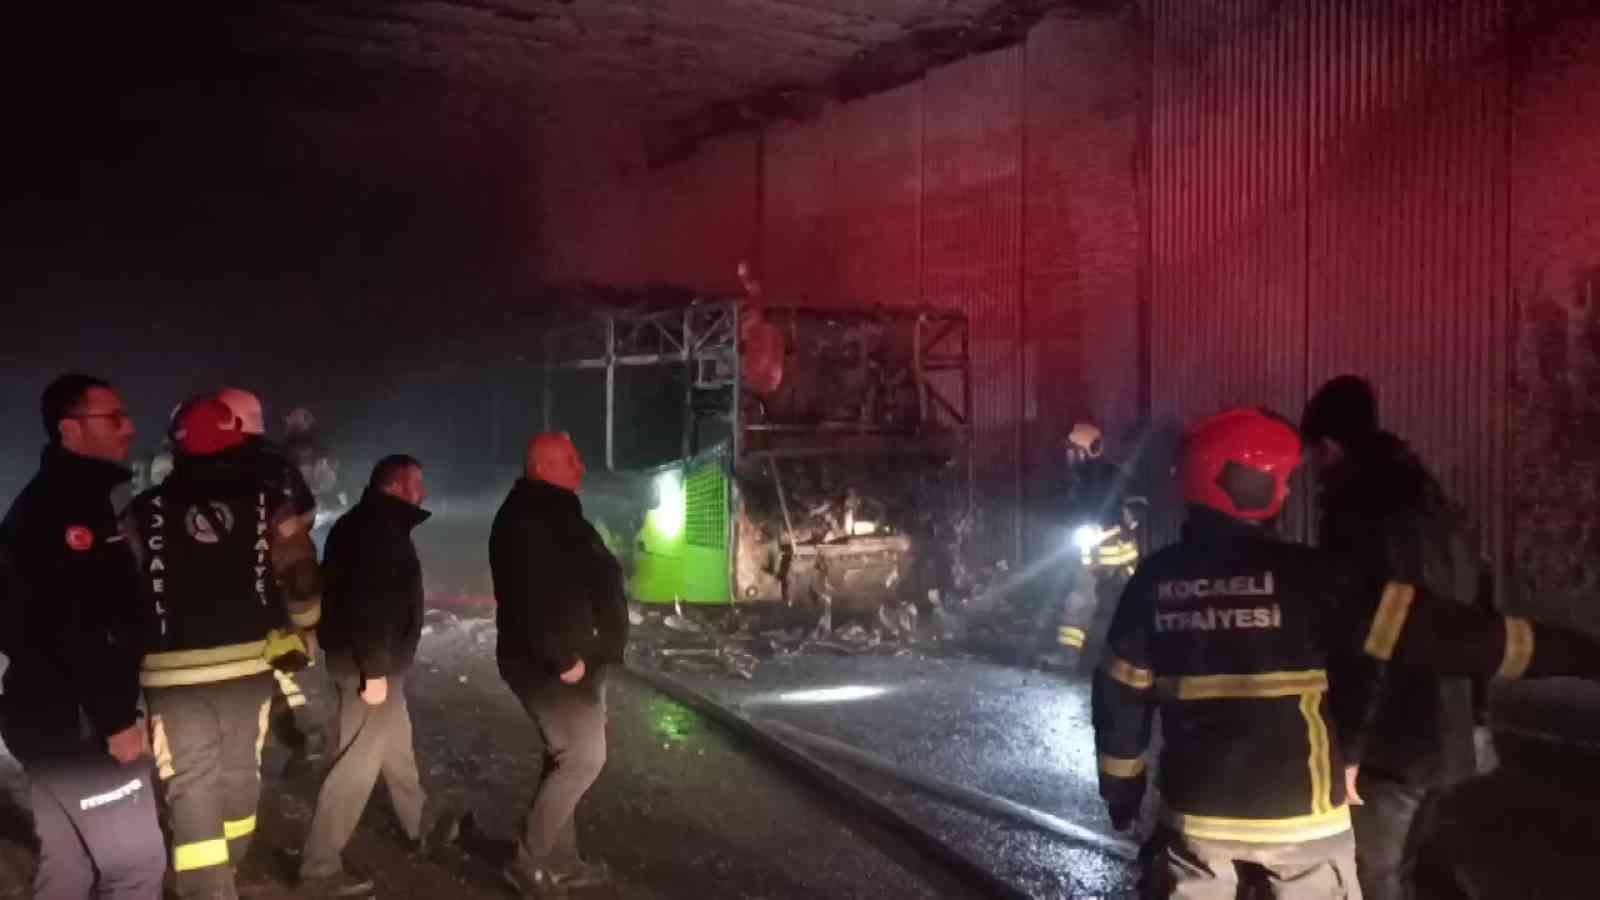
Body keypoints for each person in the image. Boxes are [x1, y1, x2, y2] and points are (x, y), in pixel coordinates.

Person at [1093, 407, 1600, 899]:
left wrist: (1122, 794)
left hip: (1196, 822)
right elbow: (1452, 636)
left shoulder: (1155, 582)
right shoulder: (1313, 578)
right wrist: (1581, 656)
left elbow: (1119, 699)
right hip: (1302, 824)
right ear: (1247, 483)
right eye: (1281, 479)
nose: (1290, 488)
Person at [124, 395, 323, 899]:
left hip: (171, 678)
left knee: (191, 782)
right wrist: (306, 630)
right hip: (247, 671)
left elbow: (117, 592)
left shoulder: (140, 513)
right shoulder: (266, 506)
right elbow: (301, 576)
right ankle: (223, 874)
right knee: (240, 773)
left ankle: (208, 884)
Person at [1302, 376, 1491, 900]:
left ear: (1330, 446)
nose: (1310, 468)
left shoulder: (1358, 512)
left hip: (1395, 733)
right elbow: (1481, 606)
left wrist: (1350, 750)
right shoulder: (1434, 502)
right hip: (1446, 724)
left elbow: (1372, 635)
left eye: (1312, 453)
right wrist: (1476, 714)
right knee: (1420, 867)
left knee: (1373, 873)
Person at [0, 374, 165, 899]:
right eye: (113, 418)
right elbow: (77, 625)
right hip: (81, 729)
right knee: (136, 871)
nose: (130, 427)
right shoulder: (65, 511)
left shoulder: (64, 501)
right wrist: (116, 720)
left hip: (47, 721)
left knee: (67, 871)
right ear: (70, 428)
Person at [490, 432, 628, 897]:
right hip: (552, 664)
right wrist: (563, 656)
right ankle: (527, 860)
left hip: (577, 658)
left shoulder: (550, 511)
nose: (582, 466)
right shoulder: (530, 519)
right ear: (542, 468)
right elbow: (531, 596)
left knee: (563, 754)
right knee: (584, 756)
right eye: (572, 459)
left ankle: (560, 859)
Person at [299, 455, 436, 895]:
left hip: (370, 663)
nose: (424, 492)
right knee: (358, 760)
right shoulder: (379, 532)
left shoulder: (364, 524)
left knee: (397, 749)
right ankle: (319, 866)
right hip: (368, 666)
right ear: (395, 486)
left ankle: (421, 828)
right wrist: (375, 670)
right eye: (417, 483)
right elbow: (370, 604)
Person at [218, 387, 328, 764]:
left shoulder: (201, 462)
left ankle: (278, 734)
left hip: (218, 590)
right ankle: (294, 733)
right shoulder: (277, 463)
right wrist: (285, 539)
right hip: (276, 582)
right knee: (277, 657)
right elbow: (307, 512)